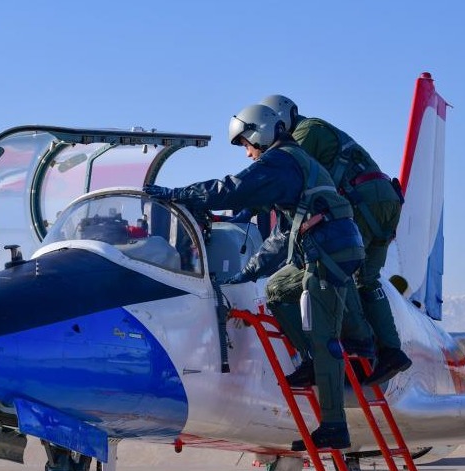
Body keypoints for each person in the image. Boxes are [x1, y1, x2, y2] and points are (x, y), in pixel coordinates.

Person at [143, 104, 365, 450]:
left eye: (247, 143)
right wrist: (247, 274)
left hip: (328, 252)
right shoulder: (292, 166)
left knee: (324, 334)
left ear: (262, 133)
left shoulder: (280, 162)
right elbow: (282, 238)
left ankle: (334, 425)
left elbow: (231, 189)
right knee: (276, 289)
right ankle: (309, 360)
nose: (247, 152)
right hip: (326, 246)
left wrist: (178, 195)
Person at [260, 95, 412, 387]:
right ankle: (391, 351)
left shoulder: (304, 134)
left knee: (339, 267)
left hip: (361, 203)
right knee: (366, 279)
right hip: (384, 202)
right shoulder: (318, 129)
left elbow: (281, 177)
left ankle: (357, 341)